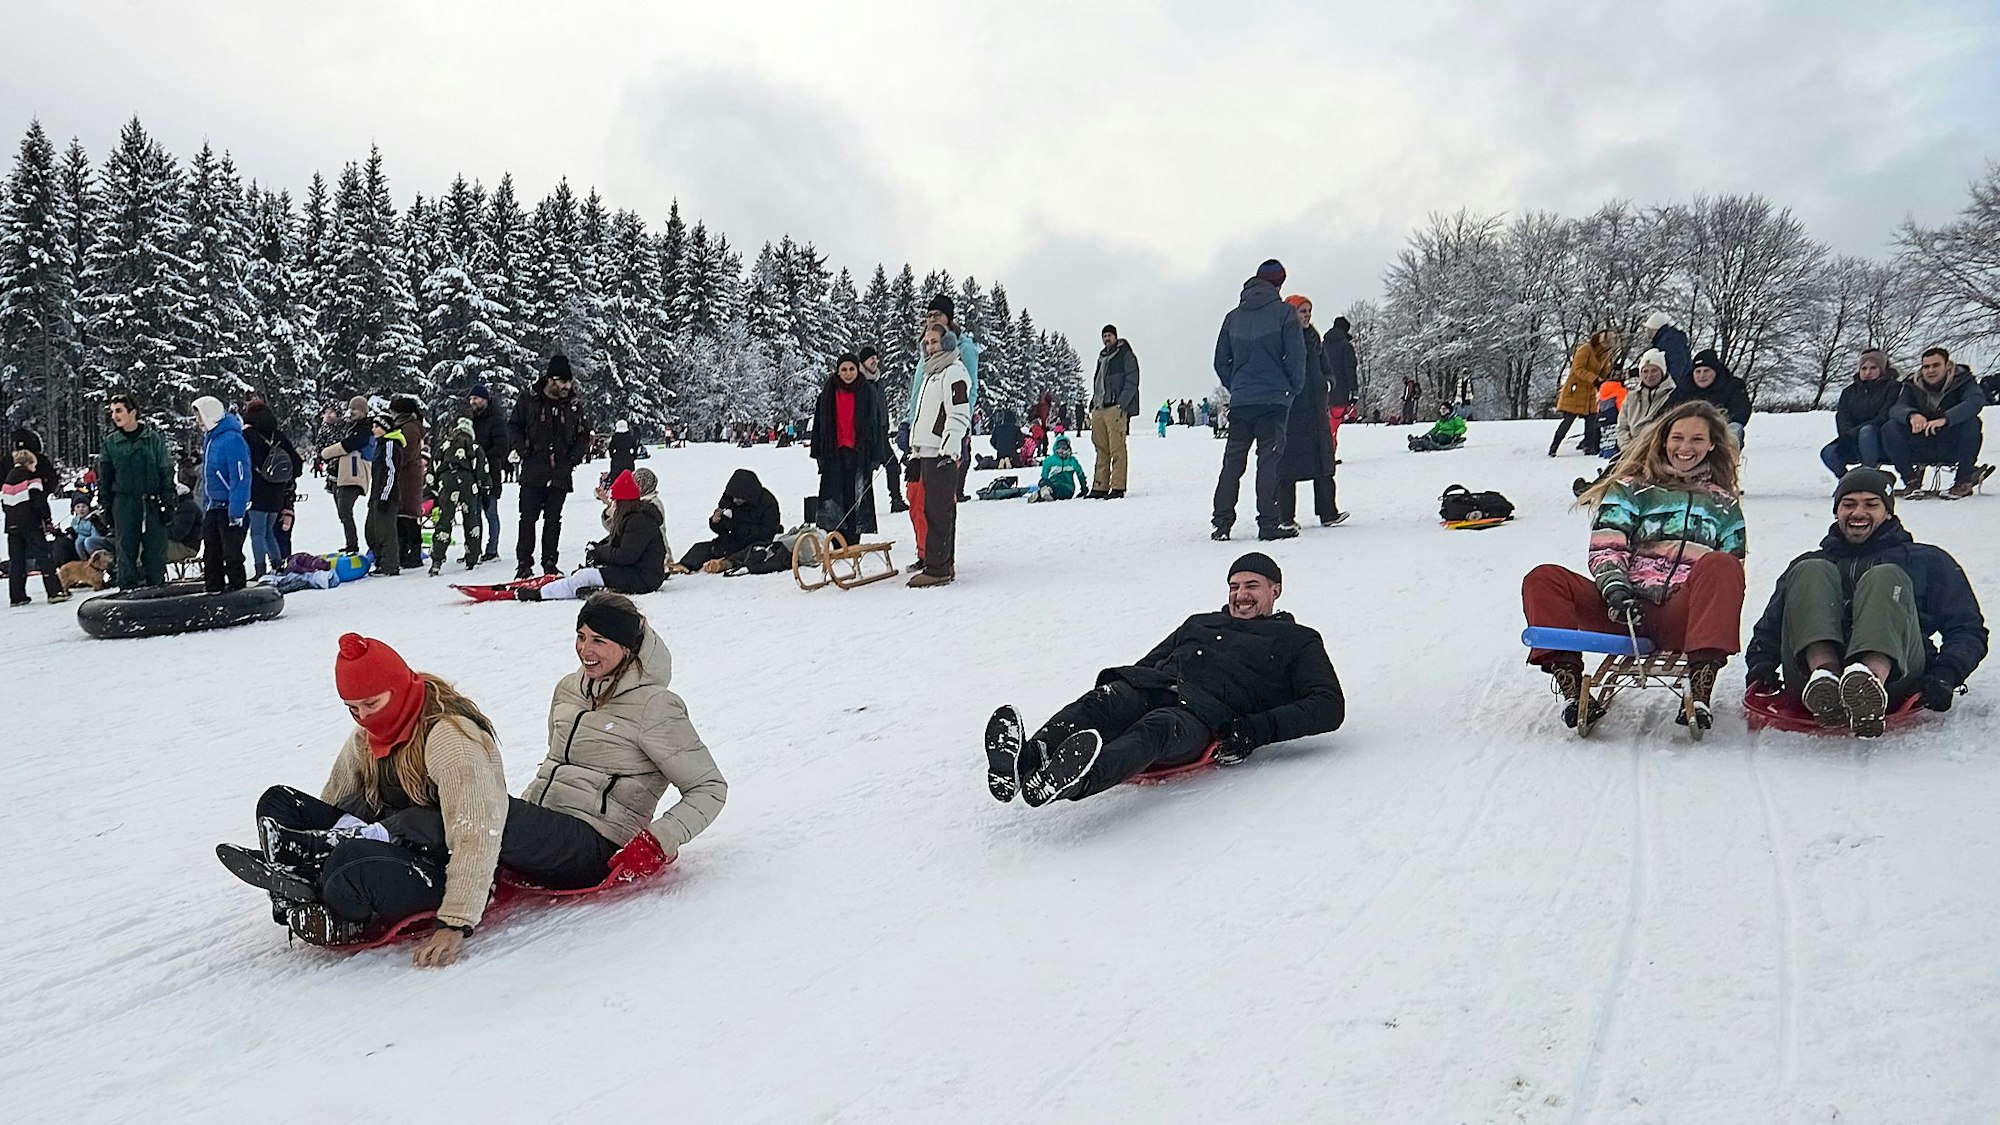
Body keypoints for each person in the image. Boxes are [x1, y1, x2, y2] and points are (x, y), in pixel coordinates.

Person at [984, 552, 1344, 806]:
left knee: (1155, 730)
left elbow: (1328, 705)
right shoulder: (1199, 622)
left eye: (1252, 585)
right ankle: (1027, 760)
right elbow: (1149, 663)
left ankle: (1075, 781)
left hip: (1202, 716)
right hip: (1158, 688)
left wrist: (1255, 728)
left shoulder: (1297, 640)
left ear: (1275, 590)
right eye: (1234, 586)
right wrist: (1121, 699)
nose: (1240, 595)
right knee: (1105, 698)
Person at [1523, 402, 1748, 730]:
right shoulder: (1631, 488)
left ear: (1712, 444)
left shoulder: (1723, 504)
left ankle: (1700, 686)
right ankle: (1571, 686)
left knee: (1723, 565)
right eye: (1678, 438)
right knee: (1544, 579)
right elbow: (1607, 543)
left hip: (1682, 617)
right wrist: (1616, 591)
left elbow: (1730, 574)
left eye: (1697, 440)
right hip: (1623, 611)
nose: (1685, 448)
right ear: (1663, 440)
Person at [1744, 468, 1988, 736]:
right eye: (1849, 504)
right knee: (1811, 568)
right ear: (1837, 512)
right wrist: (1761, 667)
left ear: (1889, 512)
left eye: (1871, 505)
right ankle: (1825, 674)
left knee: (1886, 576)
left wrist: (1946, 673)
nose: (1858, 513)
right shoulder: (1808, 565)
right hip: (1809, 684)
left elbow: (1967, 629)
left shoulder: (1926, 560)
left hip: (1896, 680)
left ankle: (1870, 681)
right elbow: (1770, 628)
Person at [1211, 259, 1307, 542]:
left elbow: (1221, 361)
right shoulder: (1284, 314)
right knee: (1269, 462)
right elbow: (1296, 356)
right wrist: (1292, 388)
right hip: (1274, 401)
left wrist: (1236, 385)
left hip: (1242, 402)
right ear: (1279, 283)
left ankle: (1222, 523)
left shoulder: (1233, 317)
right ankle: (1268, 524)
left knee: (1232, 463)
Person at [517, 471, 665, 600]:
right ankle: (599, 587)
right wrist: (599, 549)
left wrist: (599, 552)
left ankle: (540, 594)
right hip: (637, 572)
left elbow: (625, 556)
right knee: (585, 575)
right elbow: (618, 544)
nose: (612, 504)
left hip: (644, 578)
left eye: (614, 500)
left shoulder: (638, 521)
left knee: (584, 577)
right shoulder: (633, 518)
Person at [509, 354, 592, 579]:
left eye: (569, 382)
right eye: (563, 382)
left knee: (553, 520)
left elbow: (584, 435)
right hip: (533, 470)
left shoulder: (573, 405)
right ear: (551, 380)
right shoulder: (529, 399)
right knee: (527, 518)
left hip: (560, 472)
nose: (567, 387)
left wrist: (573, 458)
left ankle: (549, 563)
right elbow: (514, 426)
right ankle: (524, 564)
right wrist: (524, 451)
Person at [906, 324, 972, 587]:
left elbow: (957, 413)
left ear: (947, 343)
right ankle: (942, 563)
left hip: (942, 453)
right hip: (927, 452)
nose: (931, 347)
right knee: (931, 509)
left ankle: (938, 568)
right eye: (928, 343)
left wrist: (950, 449)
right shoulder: (930, 374)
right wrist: (915, 452)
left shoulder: (954, 371)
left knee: (939, 511)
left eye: (935, 342)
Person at [809, 353, 895, 547]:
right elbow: (819, 425)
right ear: (838, 371)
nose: (848, 374)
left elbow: (876, 425)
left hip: (859, 453)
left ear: (857, 370)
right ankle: (836, 540)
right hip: (834, 452)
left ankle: (853, 540)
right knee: (834, 497)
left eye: (851, 369)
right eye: (844, 370)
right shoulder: (828, 393)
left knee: (855, 497)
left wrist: (876, 455)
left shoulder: (867, 392)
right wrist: (819, 454)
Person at [1276, 295, 1343, 529]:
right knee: (1287, 467)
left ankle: (1328, 513)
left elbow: (1327, 368)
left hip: (1316, 408)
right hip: (1292, 411)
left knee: (1323, 461)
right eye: (1302, 311)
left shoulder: (1314, 337)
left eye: (1309, 311)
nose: (1306, 315)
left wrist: (1328, 383)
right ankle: (1285, 517)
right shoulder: (1281, 338)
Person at [1885, 346, 1986, 498]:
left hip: (1951, 443)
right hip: (1920, 442)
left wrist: (1946, 418)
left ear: (1947, 365)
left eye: (1935, 365)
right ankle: (1911, 481)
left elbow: (1975, 401)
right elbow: (1897, 408)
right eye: (1926, 366)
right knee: (1890, 427)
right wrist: (1911, 415)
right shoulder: (1912, 384)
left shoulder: (1964, 381)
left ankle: (1963, 481)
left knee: (1972, 422)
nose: (1930, 370)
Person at [97, 392, 176, 588]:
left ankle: (156, 590)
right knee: (125, 550)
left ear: (132, 412)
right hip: (124, 503)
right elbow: (105, 478)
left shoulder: (153, 439)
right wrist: (106, 506)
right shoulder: (111, 443)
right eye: (112, 412)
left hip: (152, 502)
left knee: (155, 551)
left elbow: (165, 470)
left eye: (119, 411)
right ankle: (127, 591)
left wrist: (169, 501)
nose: (114, 416)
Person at [191, 395, 251, 594]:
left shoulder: (232, 440)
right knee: (211, 552)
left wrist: (237, 510)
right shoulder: (210, 440)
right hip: (213, 506)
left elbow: (240, 477)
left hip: (229, 508)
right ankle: (213, 589)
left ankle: (238, 591)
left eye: (199, 416)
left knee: (231, 552)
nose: (197, 421)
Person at [241, 400, 301, 581]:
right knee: (269, 532)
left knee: (257, 532)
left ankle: (260, 569)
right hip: (277, 492)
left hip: (257, 490)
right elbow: (297, 464)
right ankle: (278, 565)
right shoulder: (279, 435)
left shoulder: (247, 436)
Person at [678, 468, 780, 574]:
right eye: (734, 497)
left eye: (739, 498)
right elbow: (721, 528)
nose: (735, 501)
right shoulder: (728, 499)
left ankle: (727, 563)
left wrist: (735, 525)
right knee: (701, 548)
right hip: (731, 540)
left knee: (753, 552)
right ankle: (684, 565)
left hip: (755, 541)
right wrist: (715, 522)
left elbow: (767, 532)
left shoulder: (768, 502)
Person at [1819, 349, 1900, 479]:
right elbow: (1843, 417)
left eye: (1873, 368)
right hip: (1852, 439)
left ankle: (1868, 477)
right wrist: (1847, 435)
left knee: (1866, 432)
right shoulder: (1849, 392)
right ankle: (1848, 480)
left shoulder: (1893, 387)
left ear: (1882, 369)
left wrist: (1855, 432)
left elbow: (1884, 415)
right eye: (1864, 368)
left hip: (1881, 439)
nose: (1868, 372)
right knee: (1828, 453)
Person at [427, 416, 490, 575]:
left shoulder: (444, 445)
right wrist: (484, 485)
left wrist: (435, 487)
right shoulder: (474, 446)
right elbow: (482, 469)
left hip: (446, 480)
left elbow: (432, 467)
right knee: (471, 518)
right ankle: (472, 557)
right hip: (468, 482)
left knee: (444, 519)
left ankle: (437, 559)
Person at [4, 449, 67, 605]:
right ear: (29, 463)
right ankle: (55, 592)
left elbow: (4, 505)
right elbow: (39, 502)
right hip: (31, 524)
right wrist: (47, 520)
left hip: (12, 526)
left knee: (17, 560)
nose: (35, 468)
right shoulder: (32, 479)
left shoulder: (7, 481)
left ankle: (17, 596)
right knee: (44, 556)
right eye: (34, 465)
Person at [1089, 326, 1141, 498]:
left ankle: (1118, 487)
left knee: (1117, 448)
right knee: (1101, 448)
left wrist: (1122, 403)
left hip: (1115, 408)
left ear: (1115, 336)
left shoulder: (1125, 355)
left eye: (1109, 335)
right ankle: (1100, 486)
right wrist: (1093, 403)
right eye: (1104, 336)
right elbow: (1098, 382)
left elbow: (1133, 379)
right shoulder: (1102, 357)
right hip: (1100, 407)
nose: (1106, 339)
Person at [319, 396, 374, 555]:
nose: (352, 412)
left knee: (345, 510)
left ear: (363, 411)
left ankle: (352, 545)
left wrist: (327, 453)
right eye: (351, 409)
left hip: (354, 475)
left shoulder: (364, 428)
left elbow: (349, 445)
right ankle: (351, 543)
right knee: (343, 512)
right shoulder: (351, 426)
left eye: (355, 409)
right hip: (343, 475)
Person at [1550, 329, 1615, 457]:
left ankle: (1589, 447)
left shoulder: (1605, 355)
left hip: (1591, 393)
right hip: (1575, 390)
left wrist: (1609, 375)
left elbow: (1604, 371)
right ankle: (1554, 446)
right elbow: (1578, 369)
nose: (1606, 348)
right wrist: (1594, 379)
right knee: (1568, 420)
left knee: (1591, 420)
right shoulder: (1585, 349)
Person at [858, 346, 907, 514]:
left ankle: (896, 499)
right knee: (866, 471)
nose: (874, 361)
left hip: (881, 432)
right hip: (867, 435)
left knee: (892, 464)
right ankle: (862, 505)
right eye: (871, 358)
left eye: (876, 357)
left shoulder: (878, 379)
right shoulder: (859, 381)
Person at [1670, 349, 1752, 447]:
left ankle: (1728, 456)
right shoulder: (1684, 388)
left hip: (1719, 432)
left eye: (1706, 371)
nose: (1702, 375)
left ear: (1715, 371)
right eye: (1698, 371)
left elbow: (1741, 410)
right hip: (1686, 432)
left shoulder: (1732, 386)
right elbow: (1667, 410)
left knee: (1735, 428)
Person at [466, 384, 509, 561]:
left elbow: (502, 446)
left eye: (475, 399)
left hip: (490, 473)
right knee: (473, 514)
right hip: (472, 474)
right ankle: (473, 548)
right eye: (471, 399)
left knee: (490, 512)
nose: (472, 402)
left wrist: (481, 456)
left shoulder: (496, 419)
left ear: (484, 399)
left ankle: (492, 549)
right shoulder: (471, 420)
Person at [387, 396, 427, 570]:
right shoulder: (405, 426)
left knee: (409, 515)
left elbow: (406, 452)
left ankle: (413, 553)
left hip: (408, 476)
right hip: (403, 475)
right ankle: (403, 551)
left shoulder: (409, 428)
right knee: (401, 515)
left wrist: (393, 460)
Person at [365, 415, 406, 576]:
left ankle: (390, 565)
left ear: (385, 428)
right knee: (371, 531)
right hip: (376, 494)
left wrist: (385, 495)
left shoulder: (389, 444)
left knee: (385, 532)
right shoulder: (380, 445)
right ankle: (381, 561)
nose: (373, 429)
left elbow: (391, 471)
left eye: (377, 426)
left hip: (386, 496)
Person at [1323, 315, 1358, 452]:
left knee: (1325, 425)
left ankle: (1325, 454)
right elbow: (1350, 370)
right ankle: (1328, 455)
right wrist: (1354, 391)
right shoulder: (1346, 347)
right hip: (1340, 392)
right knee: (1333, 425)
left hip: (1323, 391)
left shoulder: (1322, 345)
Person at [1643, 311, 1693, 391]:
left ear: (1654, 329)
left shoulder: (1669, 340)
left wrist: (1669, 386)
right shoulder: (1666, 339)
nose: (1648, 333)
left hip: (1678, 385)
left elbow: (1677, 363)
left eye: (1649, 330)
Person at [1029, 435, 1089, 501]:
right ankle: (1044, 493)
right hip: (1052, 483)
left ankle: (1042, 494)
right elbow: (1044, 476)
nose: (1061, 450)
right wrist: (1044, 482)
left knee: (1060, 489)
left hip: (1067, 486)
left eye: (1063, 448)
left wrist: (1084, 488)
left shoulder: (1072, 461)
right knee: (1043, 482)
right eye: (1059, 448)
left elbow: (1080, 474)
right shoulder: (1050, 460)